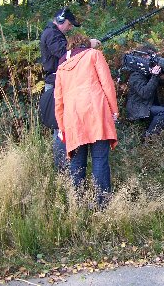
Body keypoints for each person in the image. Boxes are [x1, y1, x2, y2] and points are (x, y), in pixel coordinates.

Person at [54, 34, 118, 206]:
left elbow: (58, 100)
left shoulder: (61, 68)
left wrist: (62, 126)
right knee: (99, 159)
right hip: (96, 112)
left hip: (72, 118)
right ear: (86, 44)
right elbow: (107, 84)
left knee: (77, 162)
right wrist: (114, 110)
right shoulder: (94, 55)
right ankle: (102, 203)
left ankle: (78, 202)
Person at [39, 7, 101, 170]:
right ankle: (62, 169)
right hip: (56, 87)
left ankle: (67, 167)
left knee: (63, 126)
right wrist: (88, 45)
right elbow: (64, 54)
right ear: (60, 20)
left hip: (59, 85)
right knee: (61, 127)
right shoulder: (52, 34)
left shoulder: (53, 33)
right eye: (69, 24)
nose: (70, 27)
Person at [126, 44, 164, 141]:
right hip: (138, 108)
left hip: (148, 106)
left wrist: (162, 74)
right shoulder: (136, 75)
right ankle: (147, 138)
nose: (153, 59)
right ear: (143, 57)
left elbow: (163, 82)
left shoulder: (148, 71)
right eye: (150, 56)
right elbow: (145, 93)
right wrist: (154, 76)